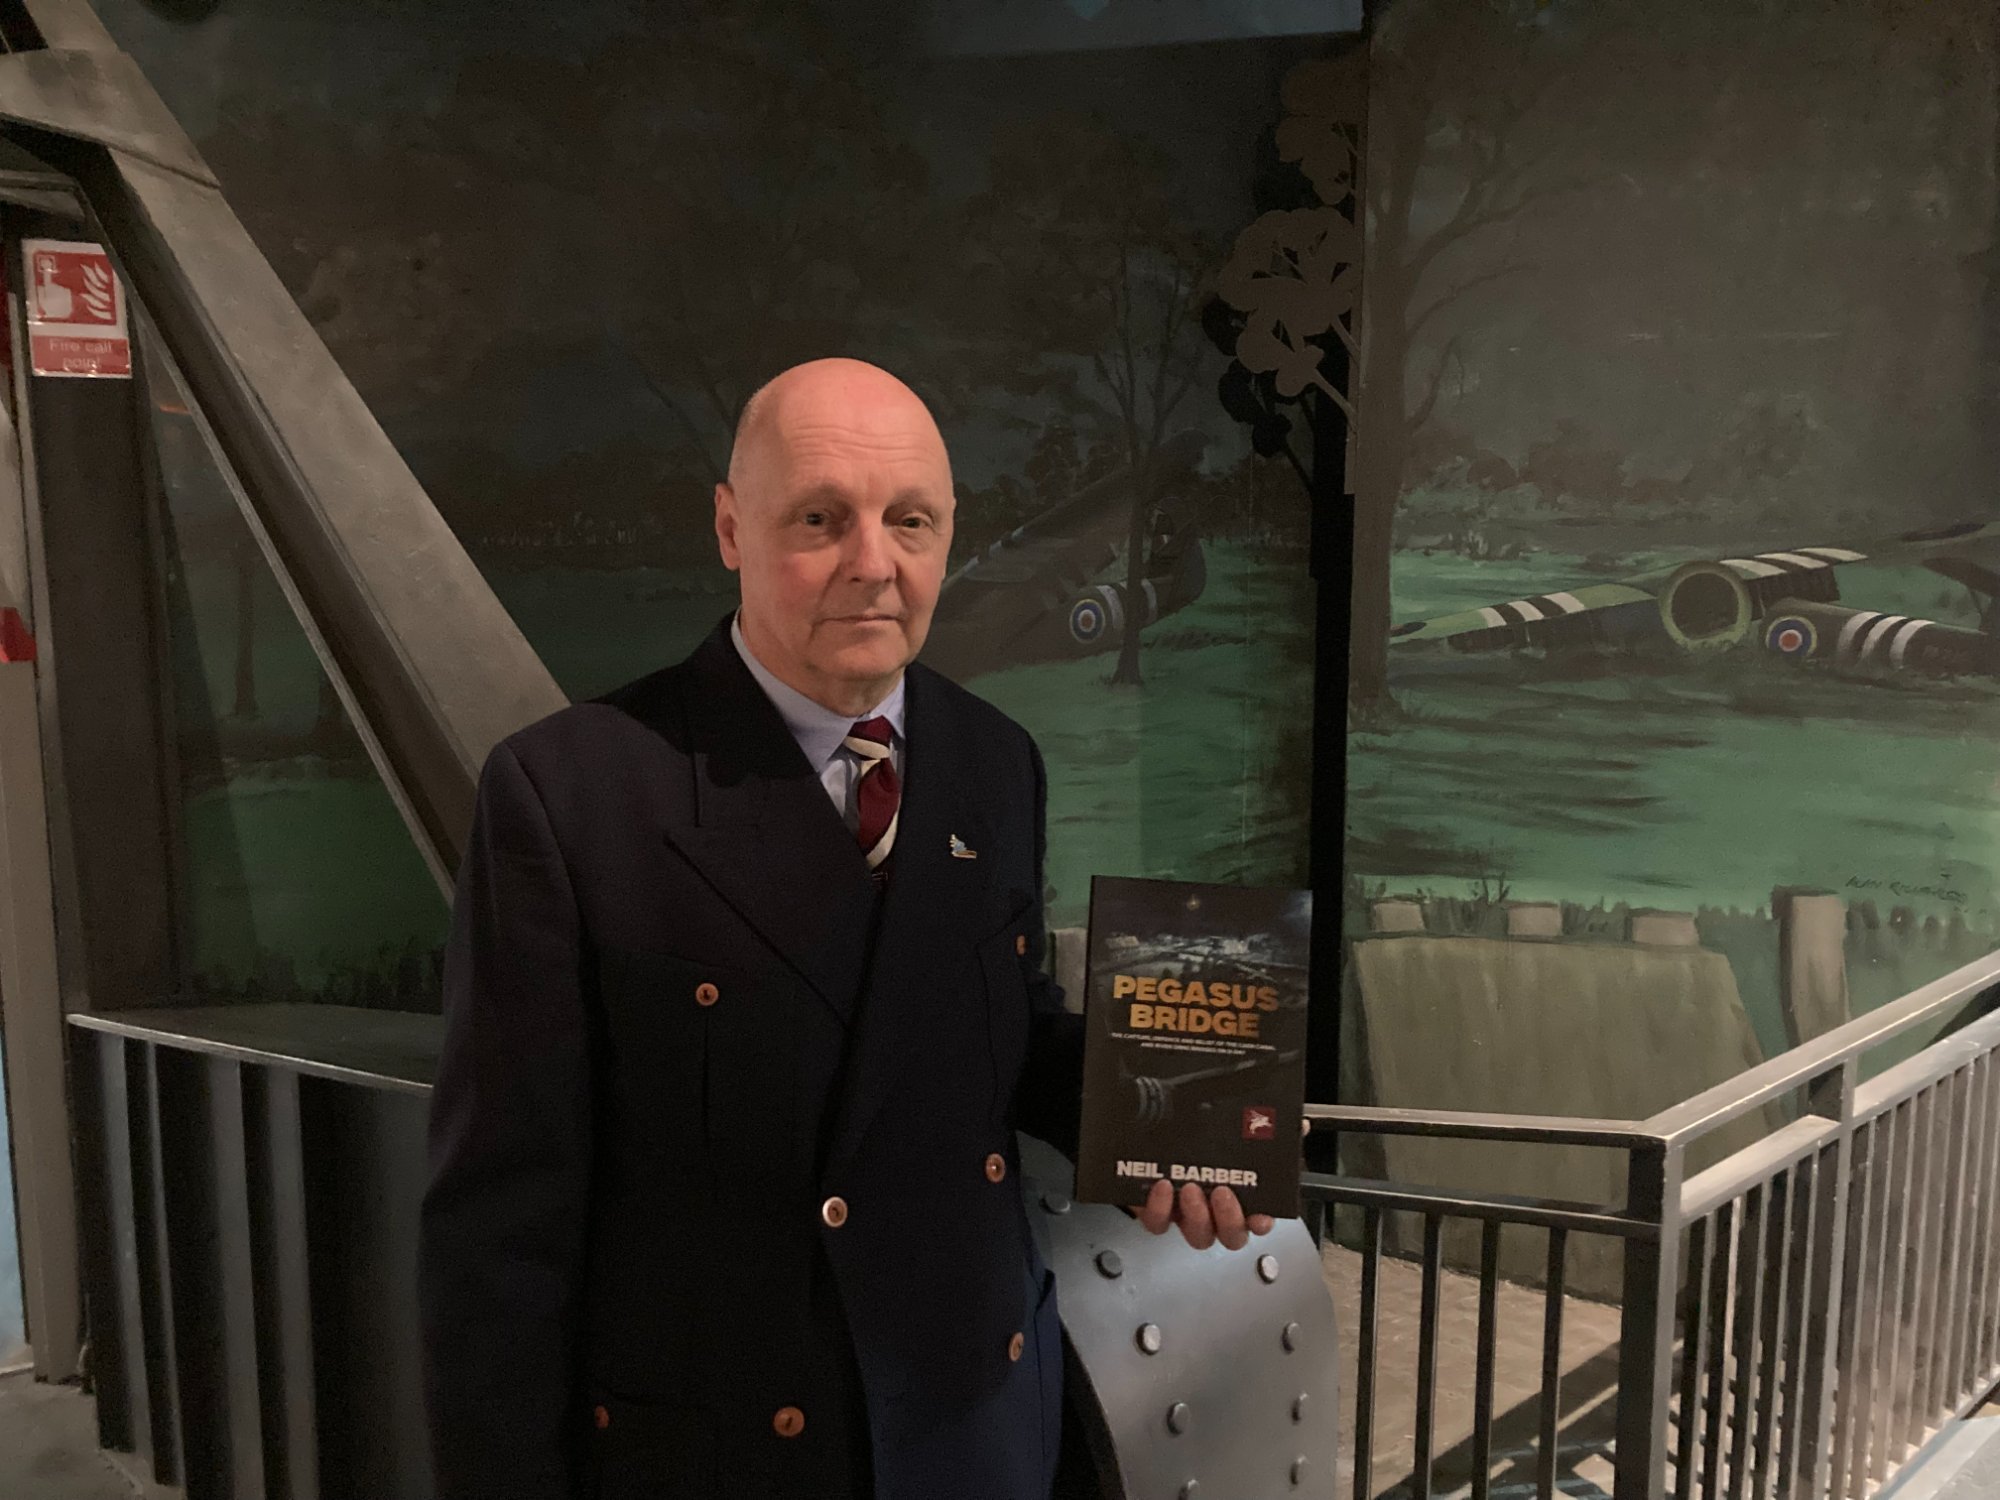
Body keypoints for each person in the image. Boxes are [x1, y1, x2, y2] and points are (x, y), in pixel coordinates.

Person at [417, 358, 1271, 1500]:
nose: (874, 563)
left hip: (975, 1431)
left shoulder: (993, 759)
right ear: (730, 528)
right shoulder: (570, 794)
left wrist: (1174, 1119)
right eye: (820, 519)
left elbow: (995, 1030)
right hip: (727, 1457)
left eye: (910, 521)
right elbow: (500, 1229)